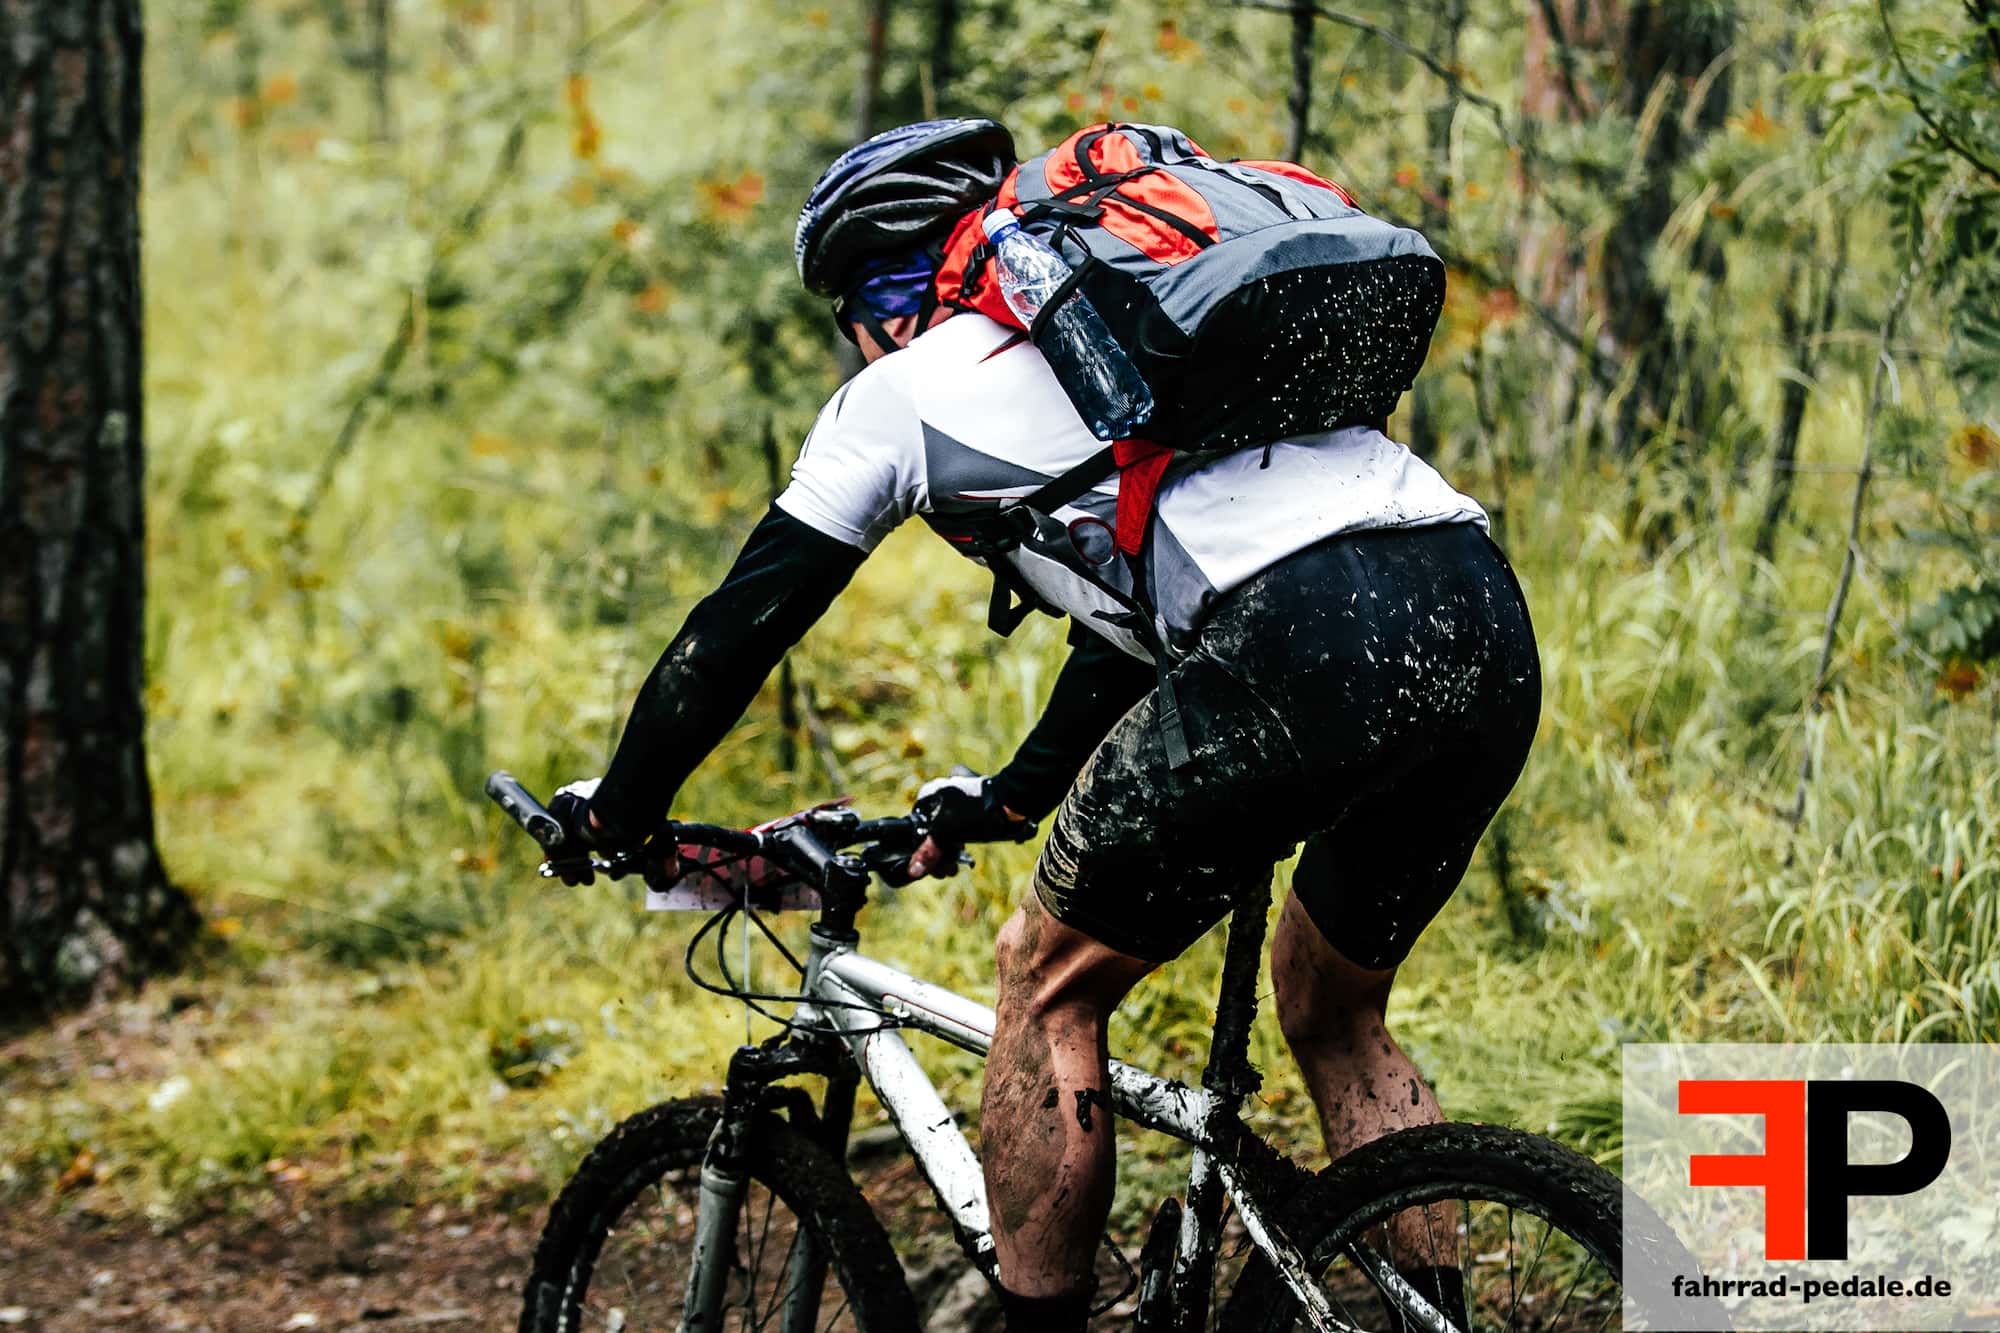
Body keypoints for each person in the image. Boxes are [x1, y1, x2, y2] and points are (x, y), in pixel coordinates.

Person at [548, 118, 1541, 1331]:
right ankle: (1425, 1316)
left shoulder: (902, 392)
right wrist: (1014, 796)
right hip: (1475, 610)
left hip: (1298, 639)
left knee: (1045, 980)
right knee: (1333, 1009)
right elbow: (1134, 614)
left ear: (876, 298)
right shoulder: (1125, 364)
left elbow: (736, 629)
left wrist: (621, 807)